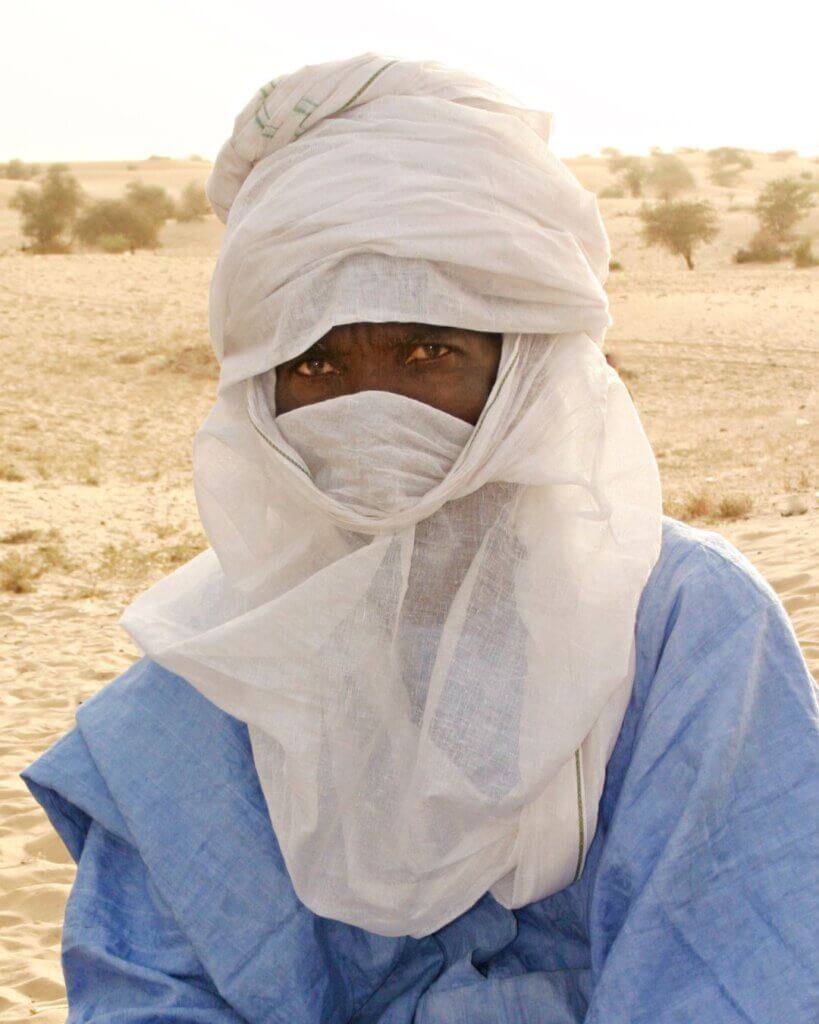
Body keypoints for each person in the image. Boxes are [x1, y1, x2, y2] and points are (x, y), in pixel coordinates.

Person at [19, 53, 819, 1022]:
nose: (369, 408)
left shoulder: (684, 627)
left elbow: (736, 976)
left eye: (428, 351)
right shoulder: (189, 705)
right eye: (315, 364)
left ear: (526, 371)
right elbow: (148, 995)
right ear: (262, 398)